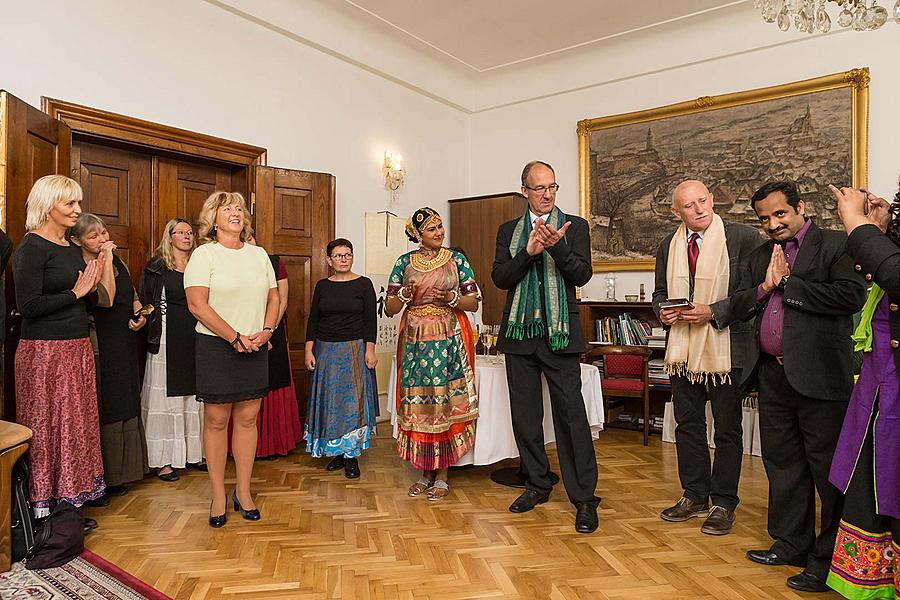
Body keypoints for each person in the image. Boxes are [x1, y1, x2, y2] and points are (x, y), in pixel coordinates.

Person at [730, 181, 867, 593]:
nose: (772, 224)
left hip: (822, 378)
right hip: (772, 376)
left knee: (827, 474)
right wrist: (765, 287)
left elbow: (850, 296)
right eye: (764, 219)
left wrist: (789, 284)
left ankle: (828, 560)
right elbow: (737, 305)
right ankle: (790, 543)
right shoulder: (758, 257)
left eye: (780, 214)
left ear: (800, 207)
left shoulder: (836, 245)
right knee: (783, 465)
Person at [492, 160, 599, 534]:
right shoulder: (509, 231)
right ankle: (537, 483)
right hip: (519, 335)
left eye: (552, 186)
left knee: (571, 415)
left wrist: (556, 249)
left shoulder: (576, 227)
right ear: (524, 191)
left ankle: (584, 498)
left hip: (560, 334)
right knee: (525, 416)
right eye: (539, 188)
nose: (548, 194)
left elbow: (582, 274)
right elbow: (501, 277)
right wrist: (529, 252)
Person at [652, 180, 762, 535]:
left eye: (703, 201)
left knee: (728, 428)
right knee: (688, 425)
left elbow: (754, 296)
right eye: (689, 205)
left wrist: (712, 311)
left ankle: (724, 502)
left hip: (727, 347)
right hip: (682, 350)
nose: (699, 209)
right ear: (676, 212)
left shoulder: (744, 238)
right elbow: (659, 294)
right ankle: (694, 494)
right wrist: (662, 312)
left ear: (712, 199)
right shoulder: (666, 246)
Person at [13, 175, 108, 518]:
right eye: (70, 203)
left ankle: (71, 503)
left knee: (75, 426)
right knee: (49, 427)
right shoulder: (31, 247)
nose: (77, 210)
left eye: (78, 202)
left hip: (77, 347)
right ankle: (44, 509)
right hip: (43, 353)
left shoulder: (71, 248)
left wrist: (92, 287)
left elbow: (89, 299)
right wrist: (76, 293)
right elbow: (29, 306)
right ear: (47, 205)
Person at [184, 191, 279, 528]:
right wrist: (233, 337)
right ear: (214, 217)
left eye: (239, 208)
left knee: (248, 418)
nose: (236, 212)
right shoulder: (203, 255)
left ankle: (243, 490)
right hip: (216, 346)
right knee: (216, 419)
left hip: (255, 344)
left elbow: (274, 296)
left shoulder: (258, 255)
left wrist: (267, 330)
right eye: (228, 208)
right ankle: (218, 495)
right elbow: (198, 305)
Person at [825, 183, 899, 599]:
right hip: (878, 387)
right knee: (870, 482)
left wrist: (857, 225)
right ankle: (873, 582)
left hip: (893, 390)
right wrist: (880, 229)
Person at [385, 208, 480, 501]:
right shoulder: (404, 263)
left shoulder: (456, 260)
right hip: (415, 341)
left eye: (440, 227)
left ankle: (442, 476)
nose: (439, 233)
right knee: (420, 404)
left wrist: (451, 298)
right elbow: (389, 308)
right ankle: (424, 473)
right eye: (432, 229)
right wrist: (402, 296)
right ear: (417, 235)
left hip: (448, 338)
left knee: (444, 402)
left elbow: (473, 303)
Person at [71, 213, 149, 501]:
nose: (103, 239)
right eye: (94, 236)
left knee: (125, 398)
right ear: (77, 240)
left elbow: (130, 295)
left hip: (123, 338)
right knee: (106, 403)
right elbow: (108, 295)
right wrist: (104, 258)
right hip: (99, 341)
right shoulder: (84, 266)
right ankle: (102, 478)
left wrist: (140, 314)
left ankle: (125, 472)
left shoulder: (118, 261)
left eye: (103, 233)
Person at [304, 238, 378, 478]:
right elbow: (313, 318)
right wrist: (308, 349)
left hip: (355, 350)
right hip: (326, 351)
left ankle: (352, 456)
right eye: (338, 255)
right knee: (332, 404)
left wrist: (370, 349)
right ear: (329, 260)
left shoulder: (364, 284)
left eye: (348, 254)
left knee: (352, 404)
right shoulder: (322, 286)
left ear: (352, 257)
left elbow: (370, 321)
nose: (344, 259)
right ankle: (337, 452)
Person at [139, 218, 203, 482]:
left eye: (190, 232)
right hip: (166, 336)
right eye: (181, 232)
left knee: (195, 394)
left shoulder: (201, 264)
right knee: (165, 397)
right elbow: (145, 302)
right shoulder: (157, 267)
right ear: (170, 236)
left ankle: (194, 454)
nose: (187, 236)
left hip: (197, 334)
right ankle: (164, 460)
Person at [247, 232, 302, 458]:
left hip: (273, 331)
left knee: (274, 382)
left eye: (250, 237)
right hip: (242, 333)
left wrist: (268, 330)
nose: (247, 242)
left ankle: (275, 443)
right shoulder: (228, 264)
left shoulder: (273, 261)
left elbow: (282, 299)